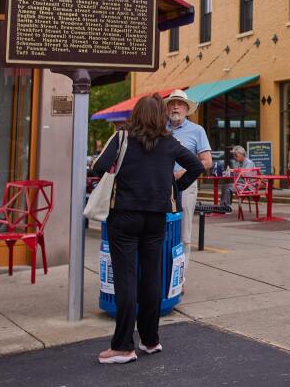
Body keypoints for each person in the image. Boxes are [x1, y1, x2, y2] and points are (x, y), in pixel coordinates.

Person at [91, 94, 205, 364]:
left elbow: (97, 167)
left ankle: (122, 346)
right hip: (157, 218)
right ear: (160, 115)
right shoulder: (169, 142)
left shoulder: (122, 137)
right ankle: (151, 340)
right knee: (152, 277)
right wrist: (175, 186)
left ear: (137, 114)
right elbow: (197, 165)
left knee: (126, 278)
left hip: (125, 215)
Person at [165, 89, 212, 251]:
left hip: (185, 184)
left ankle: (180, 275)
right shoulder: (159, 129)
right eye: (172, 104)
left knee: (184, 234)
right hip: (162, 186)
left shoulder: (197, 130)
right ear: (167, 108)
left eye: (180, 104)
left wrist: (182, 172)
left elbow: (207, 162)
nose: (175, 107)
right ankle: (164, 273)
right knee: (161, 231)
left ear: (186, 109)